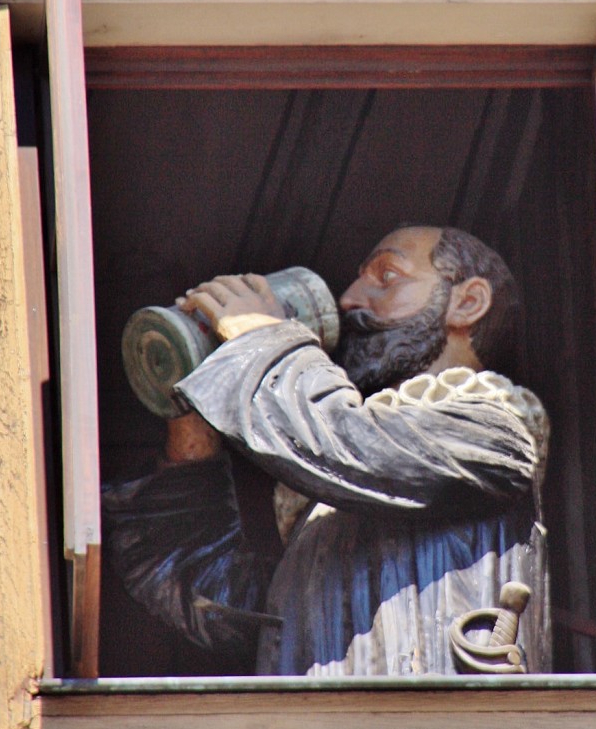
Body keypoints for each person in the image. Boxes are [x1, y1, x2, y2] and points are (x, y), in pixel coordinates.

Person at [106, 226, 550, 676]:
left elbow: (349, 444)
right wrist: (190, 420)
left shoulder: (495, 432)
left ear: (468, 301)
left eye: (386, 276)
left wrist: (261, 338)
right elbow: (206, 590)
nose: (350, 299)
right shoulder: (329, 506)